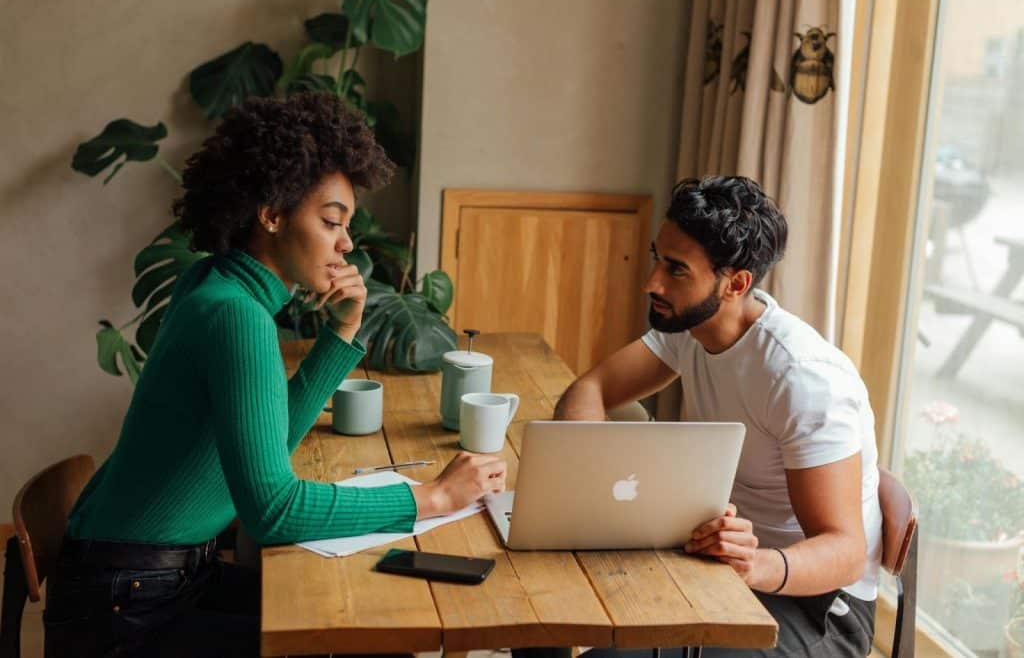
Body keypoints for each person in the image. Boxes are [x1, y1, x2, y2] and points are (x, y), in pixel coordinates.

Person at [44, 92, 507, 657]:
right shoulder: (236, 315)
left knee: (361, 623)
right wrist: (432, 497)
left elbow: (273, 441)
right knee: (369, 642)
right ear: (270, 212)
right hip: (127, 610)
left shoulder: (216, 286)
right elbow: (272, 511)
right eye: (331, 221)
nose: (347, 243)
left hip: (144, 579)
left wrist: (343, 328)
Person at [555, 176, 882, 657]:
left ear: (736, 284)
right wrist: (587, 475)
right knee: (551, 610)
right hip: (716, 564)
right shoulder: (692, 326)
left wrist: (756, 566)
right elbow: (593, 387)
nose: (652, 282)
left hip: (815, 606)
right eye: (656, 258)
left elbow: (846, 551)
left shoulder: (803, 378)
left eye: (676, 270)